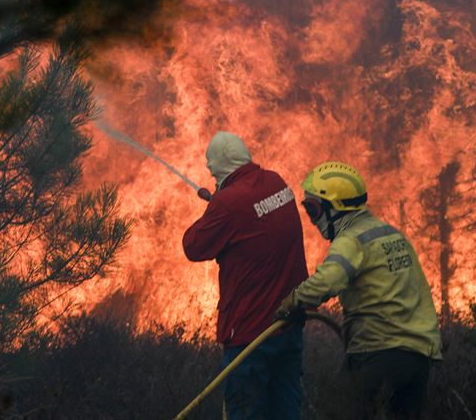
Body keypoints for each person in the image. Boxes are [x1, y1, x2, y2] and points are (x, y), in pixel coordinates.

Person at [277, 161, 442, 419]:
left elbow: (326, 282)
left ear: (335, 207)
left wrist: (290, 303)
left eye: (312, 209)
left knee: (339, 410)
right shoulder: (391, 235)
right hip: (418, 357)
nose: (311, 219)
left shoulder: (351, 239)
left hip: (378, 353)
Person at [182, 131, 308, 419]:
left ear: (221, 167)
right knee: (285, 411)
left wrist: (216, 211)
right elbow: (253, 221)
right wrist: (222, 209)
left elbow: (193, 246)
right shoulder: (276, 182)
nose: (213, 179)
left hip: (250, 334)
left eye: (214, 173)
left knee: (245, 411)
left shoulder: (227, 204)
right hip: (287, 325)